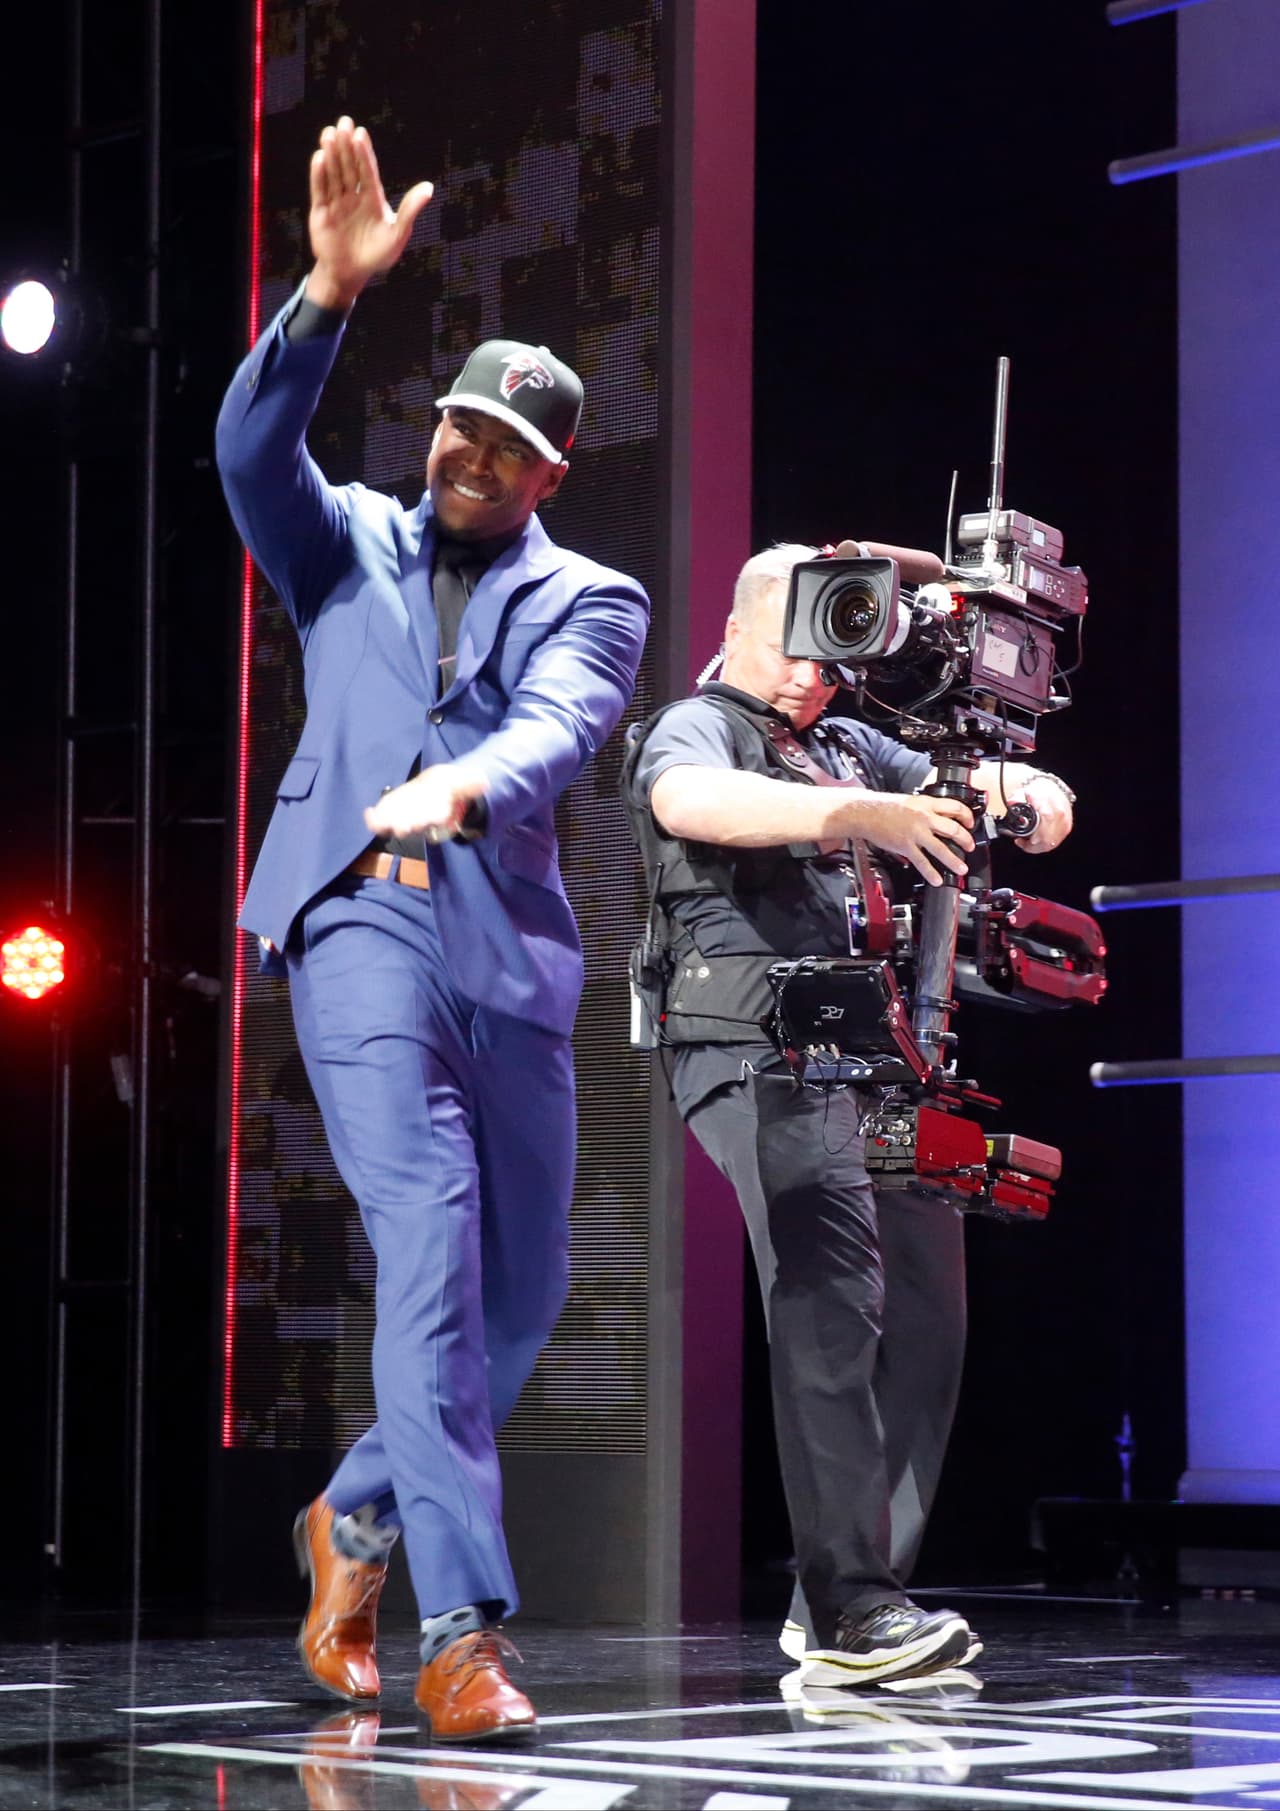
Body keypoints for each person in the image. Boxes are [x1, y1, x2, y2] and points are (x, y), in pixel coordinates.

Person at [216, 115, 649, 1739]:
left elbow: (561, 727)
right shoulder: (344, 549)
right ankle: (465, 1631)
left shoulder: (593, 596)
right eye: (454, 432)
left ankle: (355, 1516)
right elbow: (251, 456)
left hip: (506, 961)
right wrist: (323, 302)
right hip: (360, 933)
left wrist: (466, 785)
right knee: (431, 1238)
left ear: (547, 472)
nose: (462, 461)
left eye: (498, 449)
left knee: (524, 1291)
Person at [623, 543, 1074, 1689]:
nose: (810, 679)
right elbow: (692, 801)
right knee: (830, 1296)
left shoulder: (839, 735)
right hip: (749, 1049)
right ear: (739, 622)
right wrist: (855, 811)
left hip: (870, 1062)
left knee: (925, 1318)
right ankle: (850, 1606)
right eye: (793, 648)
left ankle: (850, 1595)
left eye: (831, 659)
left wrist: (1022, 792)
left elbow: (998, 793)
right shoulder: (696, 723)